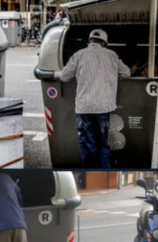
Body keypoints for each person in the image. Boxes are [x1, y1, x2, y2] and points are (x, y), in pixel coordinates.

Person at [60, 29, 131, 168]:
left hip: (84, 108)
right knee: (104, 144)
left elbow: (64, 77)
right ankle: (105, 170)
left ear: (89, 40)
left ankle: (89, 170)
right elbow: (127, 73)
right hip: (104, 108)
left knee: (88, 145)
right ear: (104, 42)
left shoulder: (78, 55)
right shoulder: (112, 55)